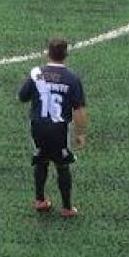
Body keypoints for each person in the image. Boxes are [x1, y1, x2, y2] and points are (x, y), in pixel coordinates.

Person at [17, 38, 88, 218]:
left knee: (41, 160)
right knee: (62, 165)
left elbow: (22, 96)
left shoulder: (36, 73)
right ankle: (66, 207)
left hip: (38, 126)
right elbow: (79, 109)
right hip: (59, 129)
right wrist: (81, 134)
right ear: (66, 55)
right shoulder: (72, 78)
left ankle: (40, 200)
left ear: (48, 53)